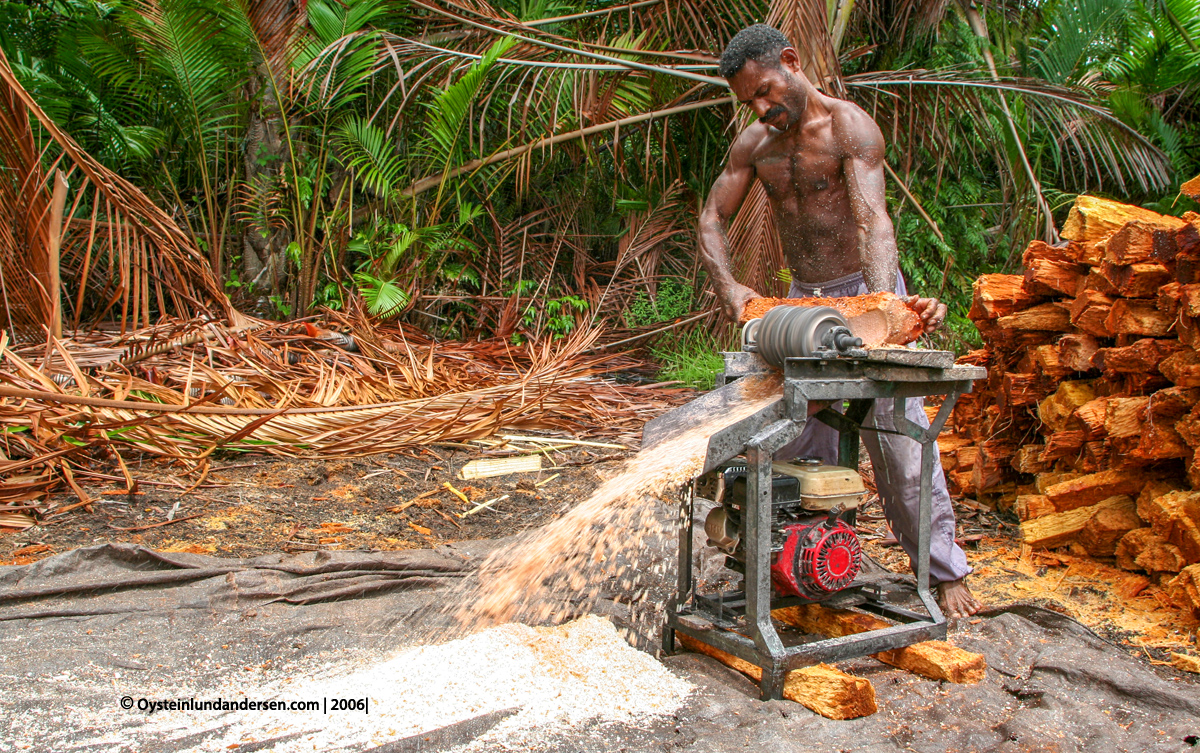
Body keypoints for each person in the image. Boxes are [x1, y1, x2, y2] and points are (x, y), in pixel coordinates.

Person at [698, 24, 982, 618]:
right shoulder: (755, 146)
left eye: (766, 91)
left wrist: (886, 312)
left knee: (900, 439)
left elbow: (872, 221)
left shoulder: (849, 127)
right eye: (748, 100)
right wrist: (729, 288)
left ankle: (941, 569)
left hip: (864, 291)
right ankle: (801, 567)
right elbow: (709, 221)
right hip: (804, 303)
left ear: (792, 62)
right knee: (797, 438)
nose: (761, 107)